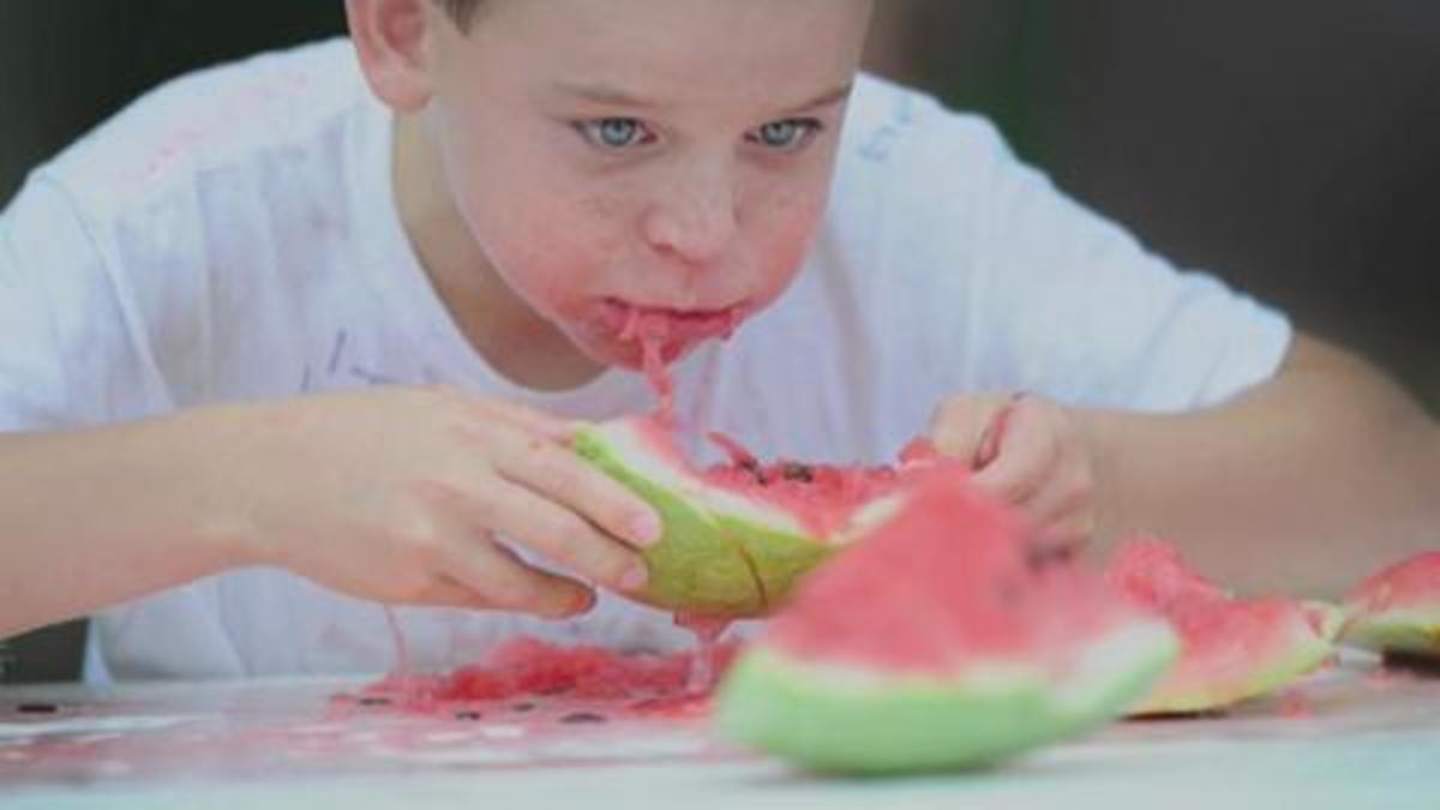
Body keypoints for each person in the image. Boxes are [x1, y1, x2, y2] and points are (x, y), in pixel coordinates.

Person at [1, 0, 1435, 682]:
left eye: (784, 131)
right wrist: (245, 484)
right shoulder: (169, 217)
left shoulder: (913, 198)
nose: (710, 230)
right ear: (398, 32)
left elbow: (1399, 482)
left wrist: (1090, 484)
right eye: (614, 130)